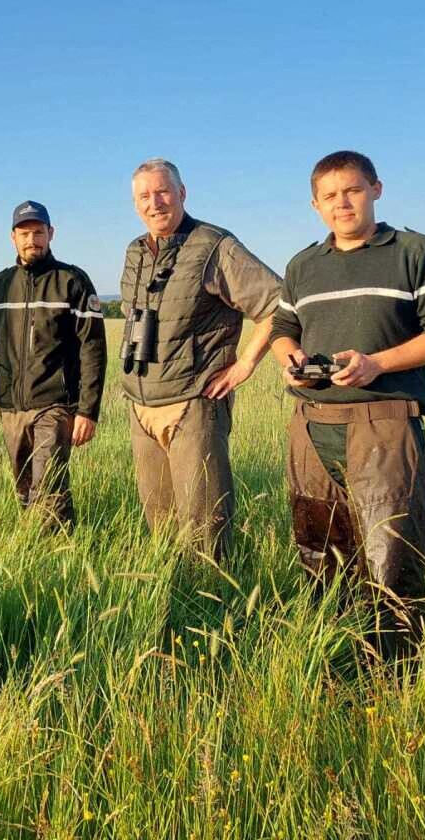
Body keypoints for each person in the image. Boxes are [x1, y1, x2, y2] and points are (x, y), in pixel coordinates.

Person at [269, 149, 425, 665]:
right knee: (320, 550)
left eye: (353, 190)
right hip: (312, 425)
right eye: (330, 196)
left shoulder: (415, 251)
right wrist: (290, 357)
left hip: (384, 422)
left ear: (376, 190)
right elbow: (282, 328)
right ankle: (336, 662)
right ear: (315, 204)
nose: (343, 204)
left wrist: (376, 364)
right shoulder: (303, 265)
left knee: (392, 554)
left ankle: (396, 676)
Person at [119, 158, 282, 561]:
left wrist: (245, 364)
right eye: (144, 196)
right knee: (162, 528)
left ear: (181, 193)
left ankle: (217, 611)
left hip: (193, 404)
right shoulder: (136, 251)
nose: (154, 203)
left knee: (205, 531)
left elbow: (278, 303)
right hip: (142, 407)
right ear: (135, 204)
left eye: (162, 192)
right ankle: (172, 609)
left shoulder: (213, 245)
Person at [0, 201, 106, 528]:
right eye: (25, 233)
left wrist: (87, 410)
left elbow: (93, 349)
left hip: (54, 404)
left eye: (39, 232)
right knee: (25, 490)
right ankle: (38, 548)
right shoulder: (0, 285)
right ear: (12, 237)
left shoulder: (72, 281)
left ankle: (53, 557)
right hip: (11, 408)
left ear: (51, 233)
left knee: (49, 488)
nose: (33, 240)